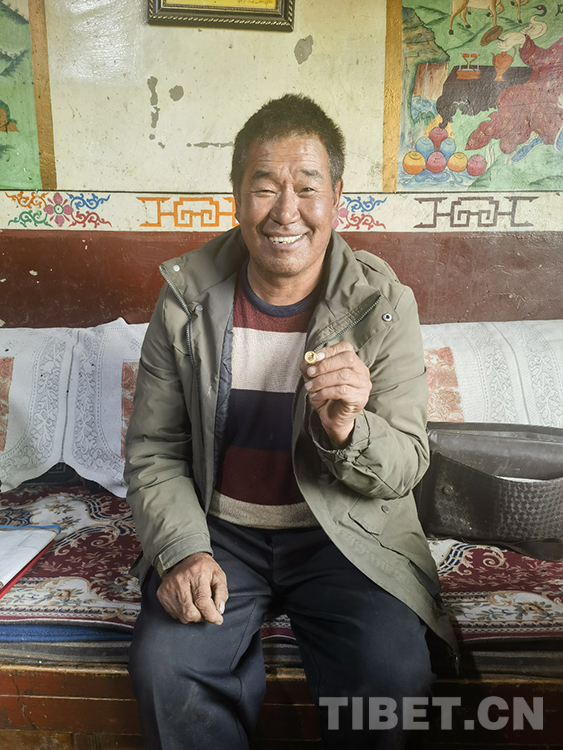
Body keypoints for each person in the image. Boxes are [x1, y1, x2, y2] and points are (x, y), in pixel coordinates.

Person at [125, 93, 457, 750]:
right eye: (264, 188)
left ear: (336, 198)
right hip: (221, 533)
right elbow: (155, 448)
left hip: (344, 536)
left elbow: (407, 463)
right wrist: (184, 550)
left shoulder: (382, 304)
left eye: (306, 189)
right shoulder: (187, 300)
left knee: (391, 675)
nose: (285, 212)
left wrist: (349, 430)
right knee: (166, 668)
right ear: (235, 197)